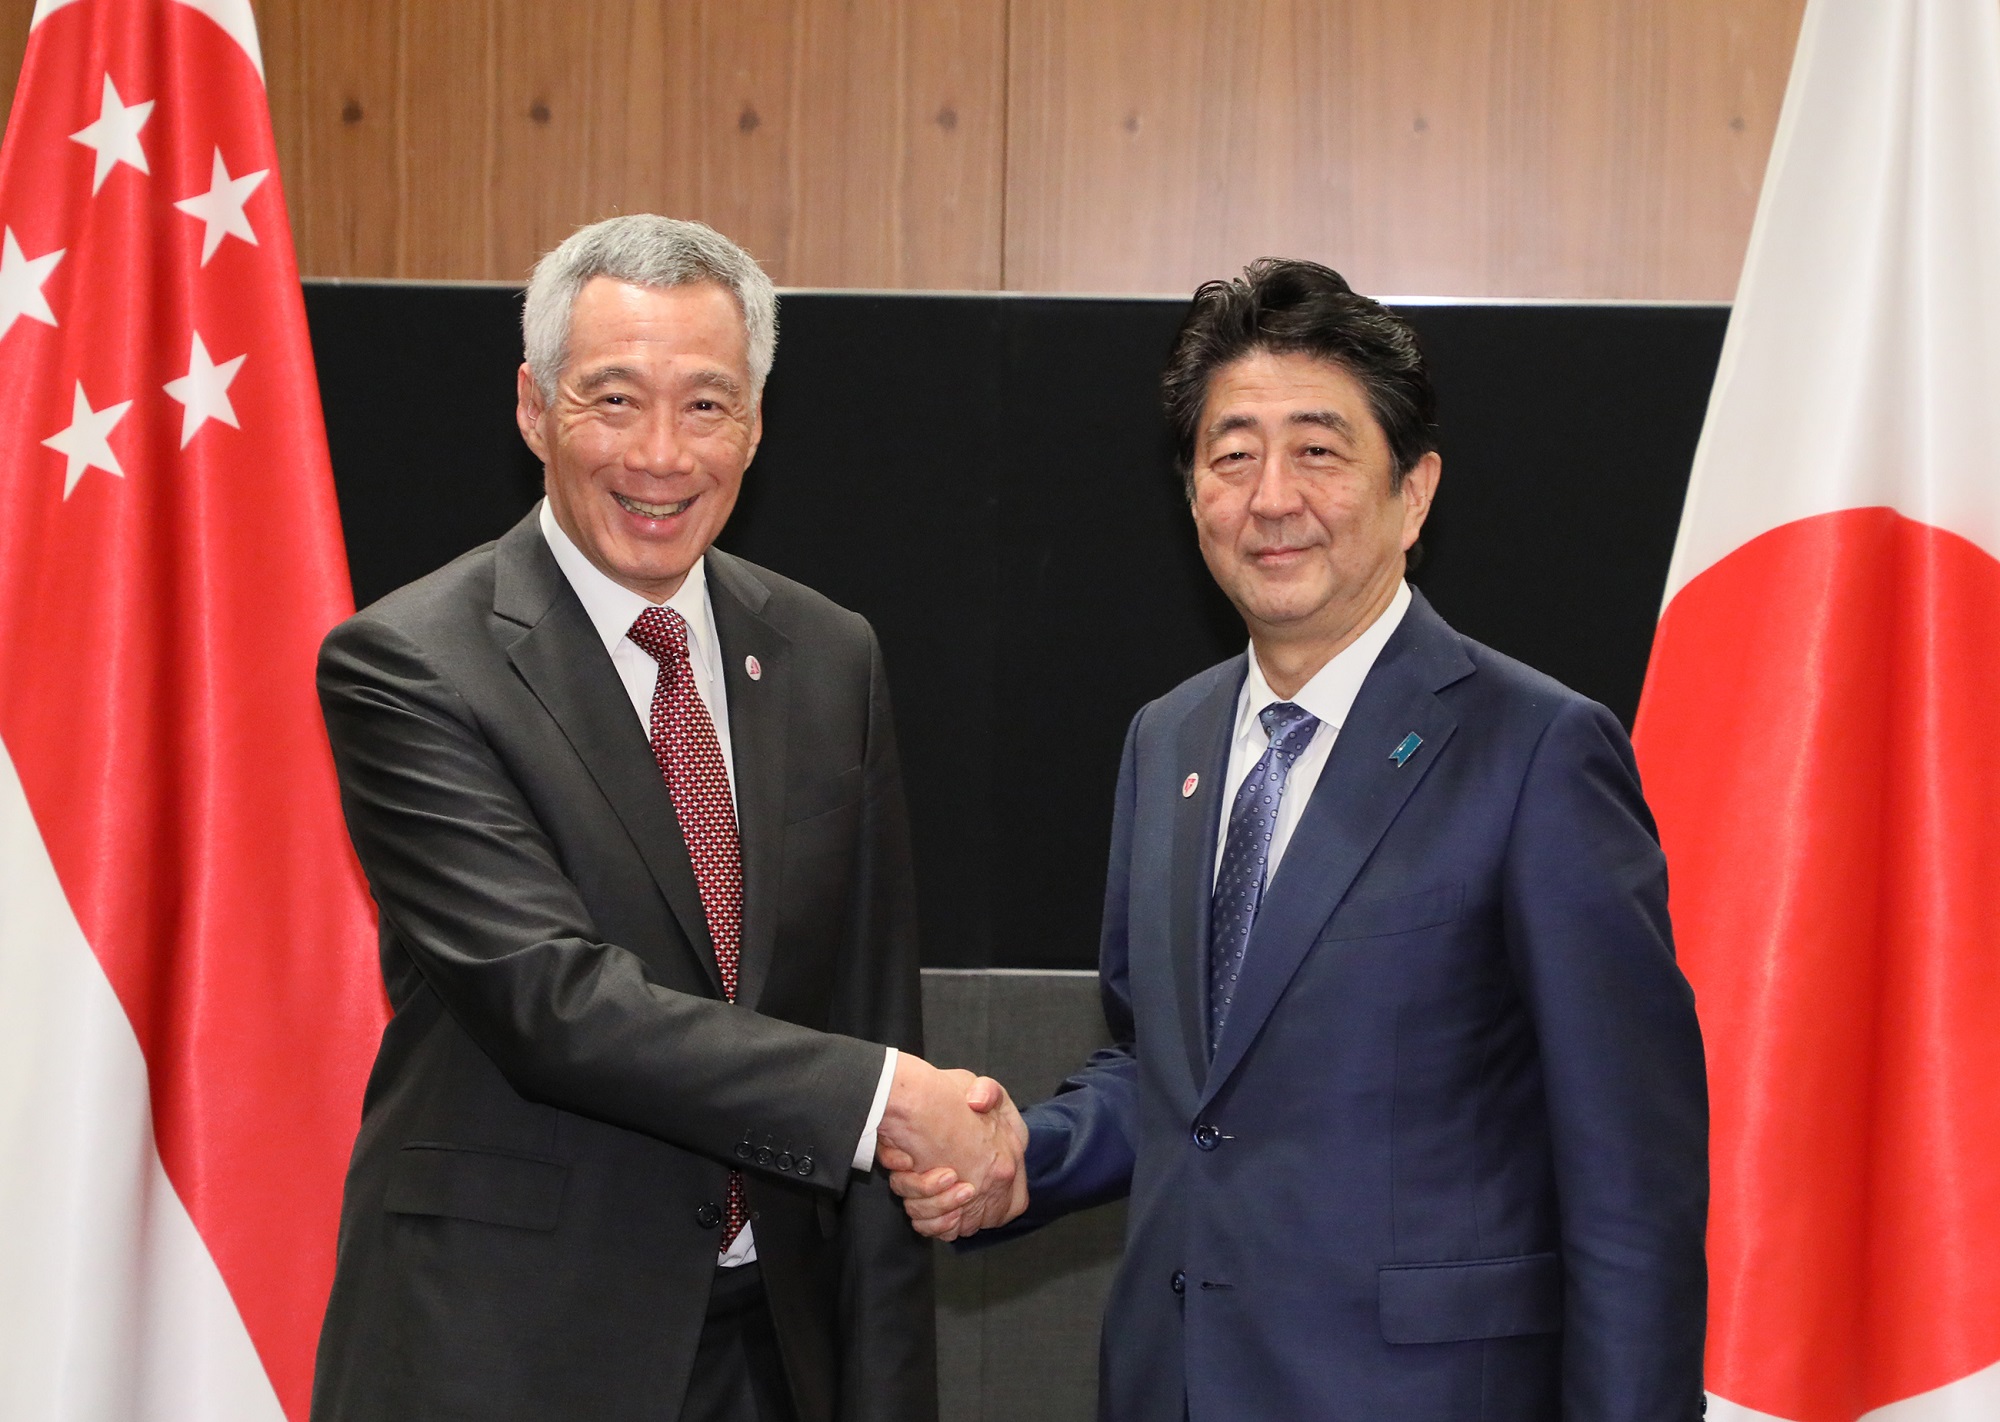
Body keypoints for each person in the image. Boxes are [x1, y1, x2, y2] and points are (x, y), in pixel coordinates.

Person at [889, 260, 1708, 1420]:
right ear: (1191, 496)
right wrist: (1025, 1155)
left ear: (1412, 493)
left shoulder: (1537, 753)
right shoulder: (1162, 738)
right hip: (1171, 1384)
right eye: (1231, 455)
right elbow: (1174, 1072)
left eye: (1318, 451)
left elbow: (1634, 1182)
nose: (1271, 496)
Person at [309, 215, 1022, 1422]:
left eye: (706, 405)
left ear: (754, 424)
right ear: (533, 408)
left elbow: (863, 1009)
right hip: (507, 1354)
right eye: (612, 399)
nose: (659, 455)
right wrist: (887, 1097)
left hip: (771, 1354)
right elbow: (552, 1003)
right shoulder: (409, 666)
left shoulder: (826, 653)